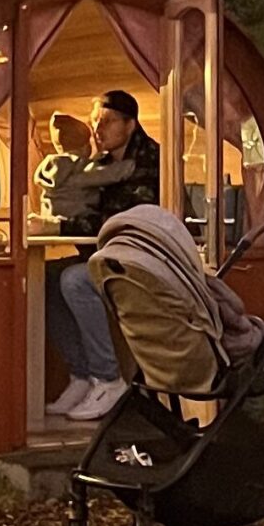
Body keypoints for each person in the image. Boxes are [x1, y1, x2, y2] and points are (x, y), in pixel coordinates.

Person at [46, 90, 162, 421]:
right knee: (47, 279)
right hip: (108, 255)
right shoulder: (101, 164)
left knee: (75, 280)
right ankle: (81, 376)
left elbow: (123, 220)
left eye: (107, 122)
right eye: (95, 122)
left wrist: (61, 226)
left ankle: (109, 379)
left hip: (144, 259)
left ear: (130, 124)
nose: (98, 129)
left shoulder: (149, 162)